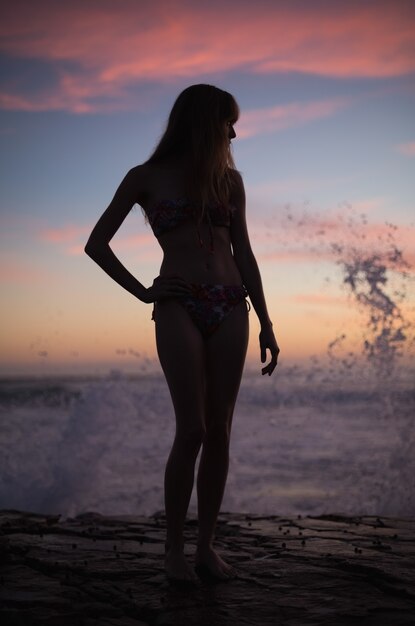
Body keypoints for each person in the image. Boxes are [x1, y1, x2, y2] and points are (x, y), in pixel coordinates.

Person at [85, 84, 279, 583]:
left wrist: (266, 319)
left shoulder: (230, 182)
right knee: (191, 428)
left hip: (230, 304)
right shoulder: (144, 178)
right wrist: (144, 292)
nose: (234, 132)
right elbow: (96, 244)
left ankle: (205, 548)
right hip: (178, 303)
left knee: (220, 429)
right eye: (227, 121)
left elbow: (245, 255)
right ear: (202, 121)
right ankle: (173, 550)